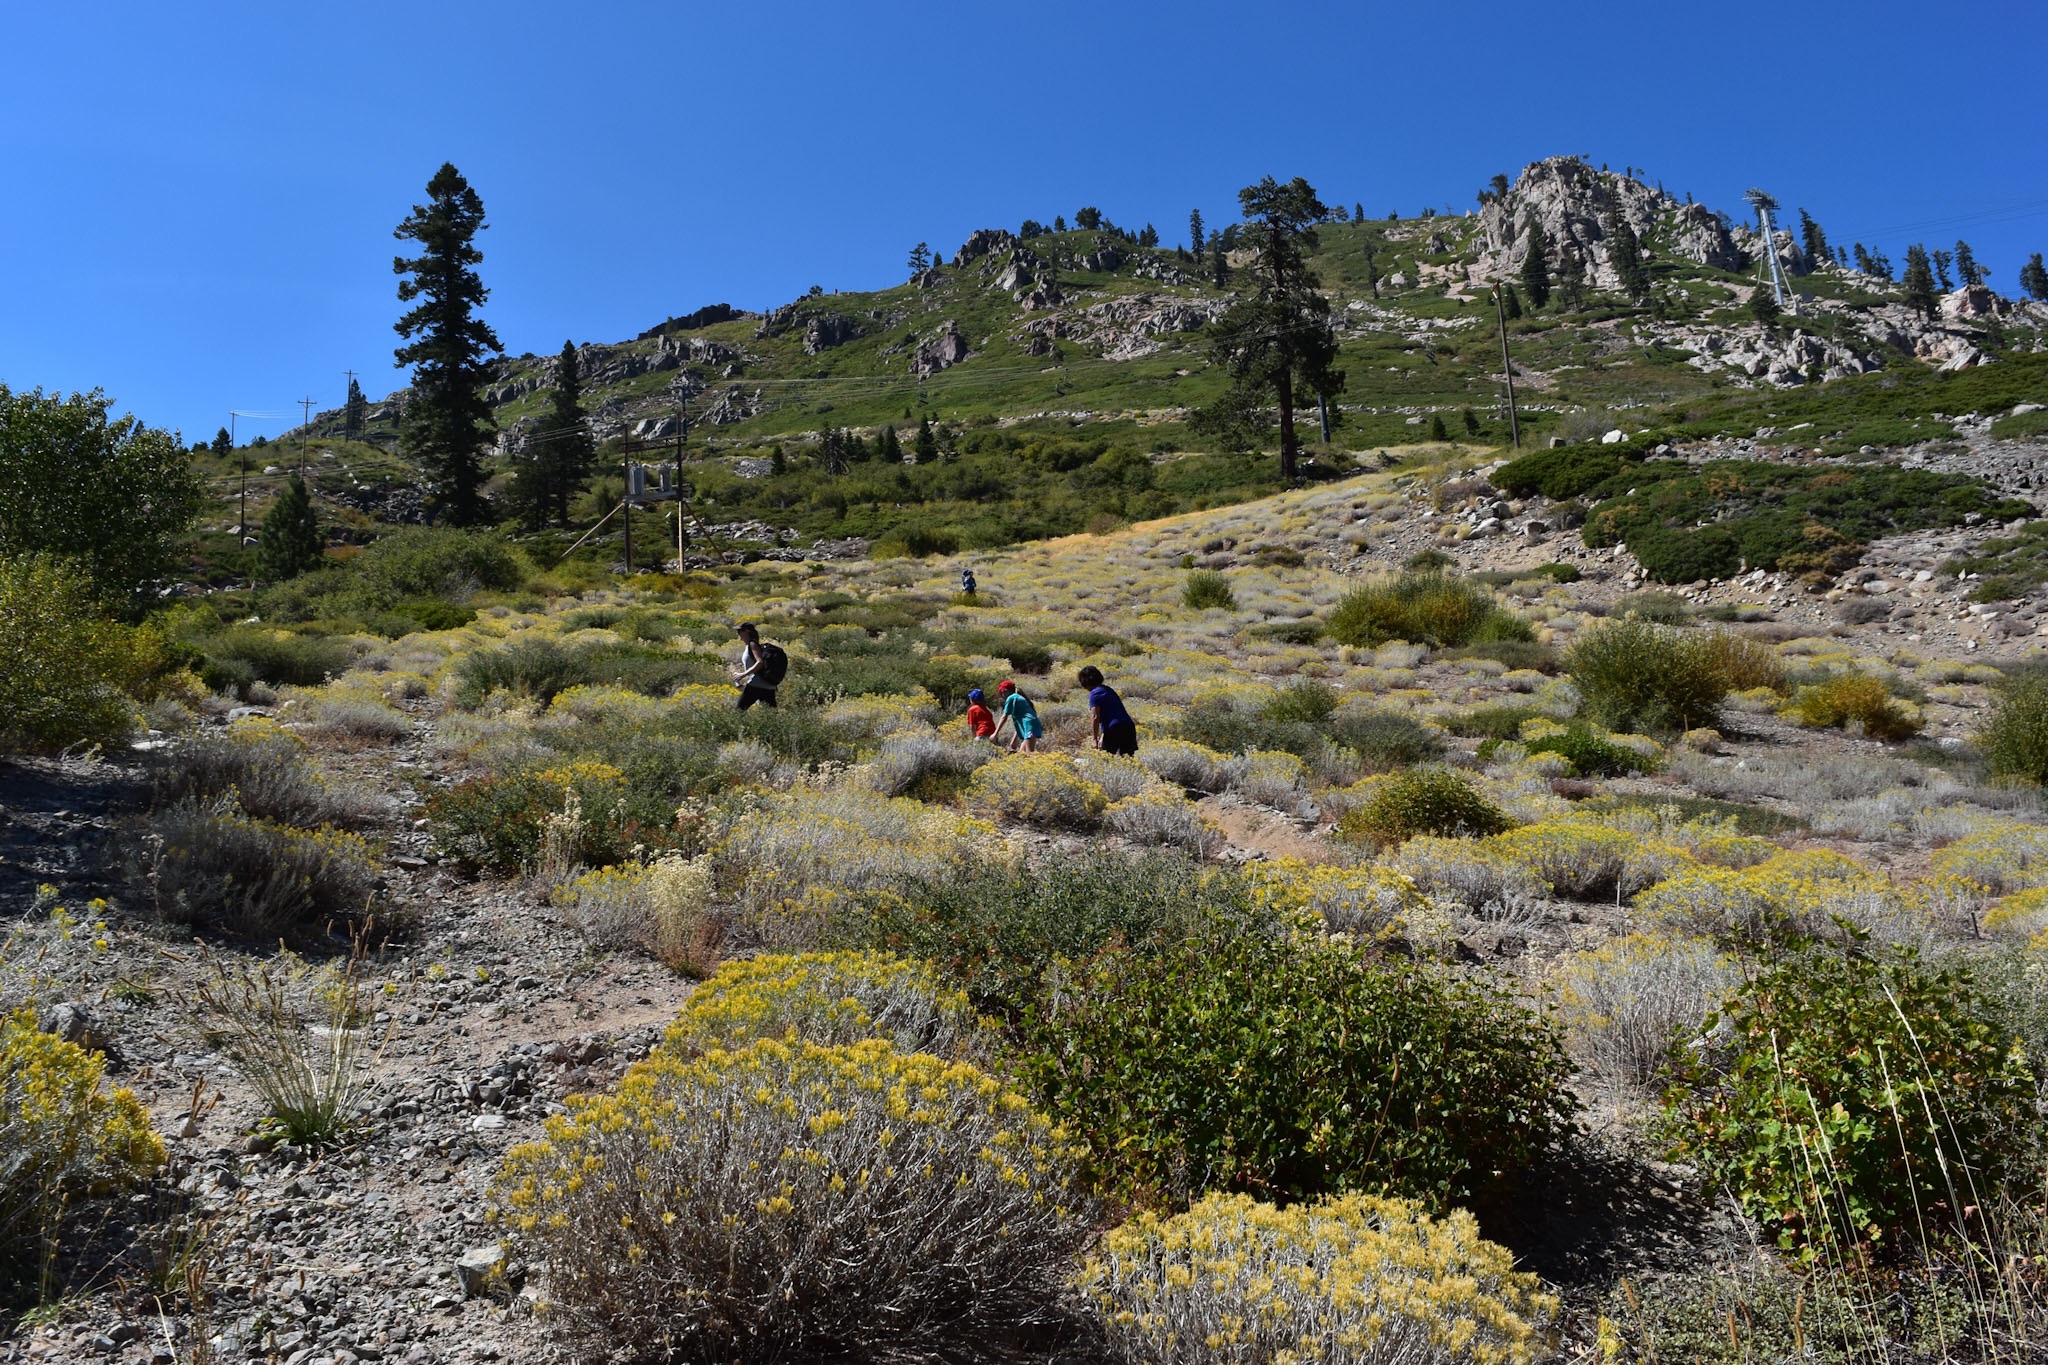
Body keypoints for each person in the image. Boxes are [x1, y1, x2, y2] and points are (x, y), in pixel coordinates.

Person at [1078, 665, 1138, 755]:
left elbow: (1095, 717)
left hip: (1114, 729)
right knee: (1128, 759)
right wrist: (1103, 734)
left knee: (1106, 759)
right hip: (1128, 726)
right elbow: (1112, 713)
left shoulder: (1094, 694)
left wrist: (1094, 739)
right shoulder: (1109, 690)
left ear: (1085, 682)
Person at [730, 622, 786, 711]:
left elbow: (760, 662)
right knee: (771, 716)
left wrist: (743, 674)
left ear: (747, 632)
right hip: (767, 685)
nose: (738, 633)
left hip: (756, 685)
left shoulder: (752, 644)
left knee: (738, 712)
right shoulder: (750, 645)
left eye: (740, 630)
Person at [991, 679, 1042, 753]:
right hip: (1030, 725)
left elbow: (1004, 717)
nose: (1002, 696)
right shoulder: (1016, 697)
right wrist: (1014, 740)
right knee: (1022, 754)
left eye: (1001, 693)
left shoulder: (1011, 698)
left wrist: (995, 734)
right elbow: (1019, 723)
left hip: (1029, 726)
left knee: (1029, 754)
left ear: (1005, 691)